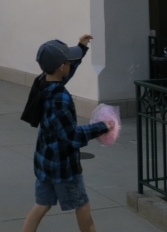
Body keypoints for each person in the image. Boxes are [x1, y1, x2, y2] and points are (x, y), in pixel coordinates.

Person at [21, 36, 113, 232]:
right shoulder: (60, 99)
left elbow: (65, 76)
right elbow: (73, 136)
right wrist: (102, 126)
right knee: (83, 207)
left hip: (45, 162)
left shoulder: (42, 83)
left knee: (42, 205)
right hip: (64, 168)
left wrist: (81, 49)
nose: (70, 65)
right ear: (62, 66)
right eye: (69, 62)